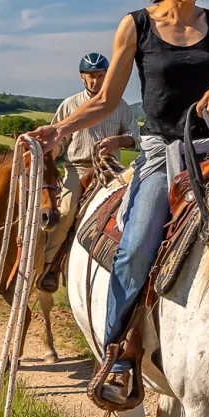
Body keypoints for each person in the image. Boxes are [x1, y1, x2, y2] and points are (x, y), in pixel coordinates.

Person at [29, 0, 209, 409]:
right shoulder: (136, 25)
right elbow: (107, 99)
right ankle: (118, 354)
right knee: (136, 246)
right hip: (163, 150)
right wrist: (60, 131)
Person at [43, 52, 138, 290]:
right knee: (65, 212)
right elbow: (58, 142)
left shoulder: (120, 105)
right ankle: (50, 265)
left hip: (111, 168)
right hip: (78, 167)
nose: (95, 81)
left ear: (107, 77)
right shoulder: (70, 105)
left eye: (100, 76)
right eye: (90, 77)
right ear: (82, 78)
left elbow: (136, 137)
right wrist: (46, 162)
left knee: (132, 207)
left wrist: (118, 141)